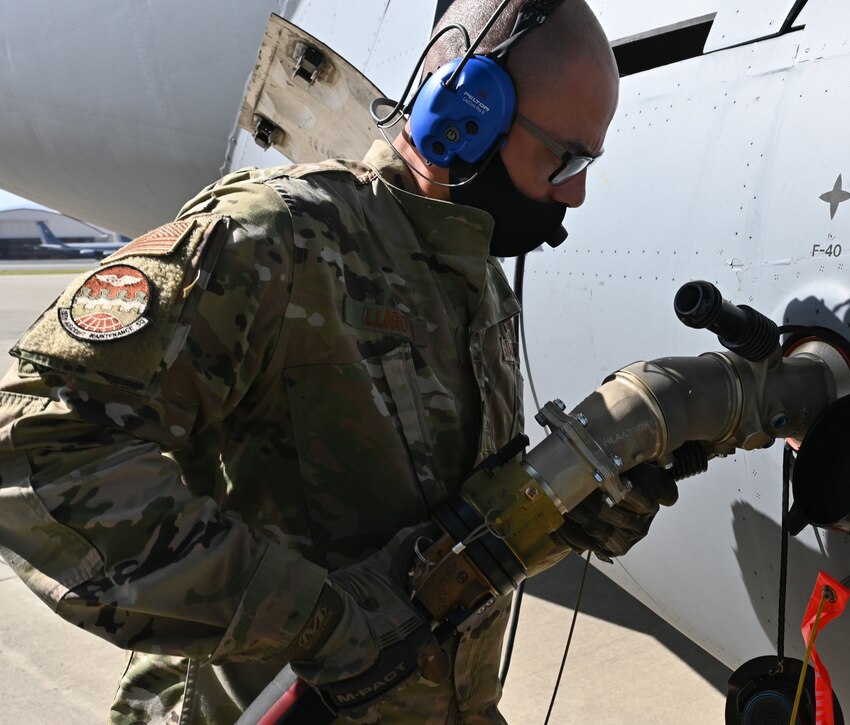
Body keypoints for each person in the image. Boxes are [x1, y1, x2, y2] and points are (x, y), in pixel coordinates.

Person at [0, 1, 673, 722]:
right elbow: (35, 442)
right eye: (566, 159)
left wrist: (562, 518)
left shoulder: (478, 286)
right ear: (466, 118)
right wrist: (316, 623)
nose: (575, 193)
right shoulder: (279, 239)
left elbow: (451, 534)